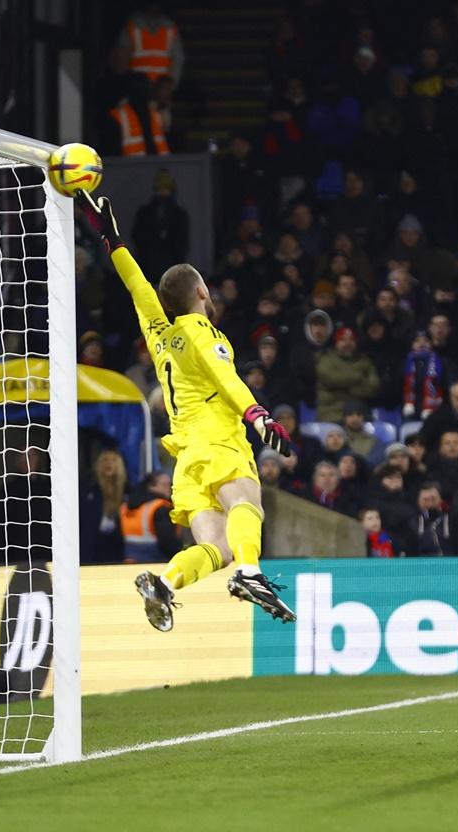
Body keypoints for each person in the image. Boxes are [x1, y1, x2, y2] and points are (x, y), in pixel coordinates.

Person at [79, 192, 295, 629]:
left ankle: (165, 582)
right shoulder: (199, 328)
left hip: (186, 458)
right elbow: (224, 376)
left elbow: (139, 289)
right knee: (246, 505)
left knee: (217, 545)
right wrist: (257, 415)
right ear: (202, 291)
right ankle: (252, 575)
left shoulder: (159, 335)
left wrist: (112, 240)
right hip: (217, 439)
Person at [132, 169, 190, 281]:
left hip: (172, 268)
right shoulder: (144, 213)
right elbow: (137, 236)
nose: (163, 192)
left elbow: (183, 243)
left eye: (166, 189)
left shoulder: (180, 215)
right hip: (148, 266)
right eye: (160, 189)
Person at [120, 471, 180, 563]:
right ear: (151, 486)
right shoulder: (159, 508)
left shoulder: (126, 506)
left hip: (130, 559)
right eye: (164, 484)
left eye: (169, 484)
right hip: (155, 560)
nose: (169, 488)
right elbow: (167, 540)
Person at [80, 449, 127, 564]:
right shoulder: (89, 487)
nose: (108, 464)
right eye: (105, 460)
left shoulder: (127, 491)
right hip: (91, 543)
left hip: (116, 544)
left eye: (113, 460)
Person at [413, 482, 454, 556]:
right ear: (418, 502)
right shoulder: (412, 522)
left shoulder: (451, 521)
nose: (429, 503)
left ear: (440, 499)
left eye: (433, 499)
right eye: (425, 500)